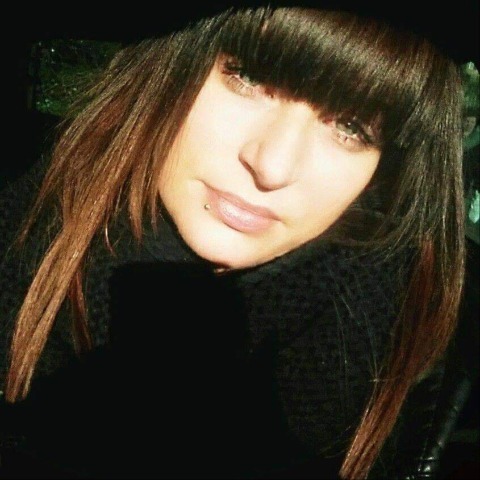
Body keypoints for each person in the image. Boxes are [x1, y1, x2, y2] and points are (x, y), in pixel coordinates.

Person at [0, 2, 474, 478]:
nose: (272, 166)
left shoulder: (391, 340)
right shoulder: (26, 223)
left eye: (351, 128)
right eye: (248, 79)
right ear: (169, 68)